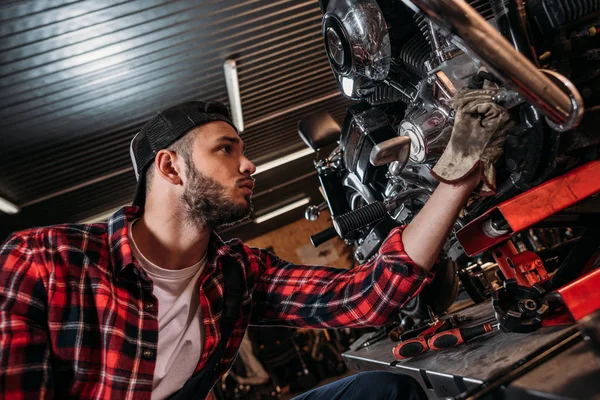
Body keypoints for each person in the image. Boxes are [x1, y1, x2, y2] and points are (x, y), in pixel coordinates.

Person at [0, 95, 507, 399]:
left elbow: (366, 298)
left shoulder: (234, 271)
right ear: (170, 168)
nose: (250, 166)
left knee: (385, 392)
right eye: (226, 149)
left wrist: (456, 180)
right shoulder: (45, 259)